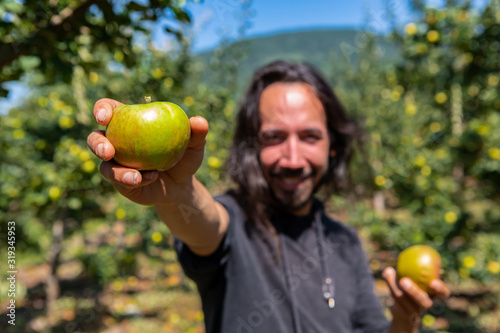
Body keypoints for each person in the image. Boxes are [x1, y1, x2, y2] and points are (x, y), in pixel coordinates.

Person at [87, 60, 450, 333]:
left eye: (309, 136)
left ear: (333, 147)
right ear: (252, 147)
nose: (293, 159)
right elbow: (204, 225)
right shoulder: (233, 221)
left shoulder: (346, 242)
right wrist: (176, 191)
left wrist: (404, 317)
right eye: (275, 137)